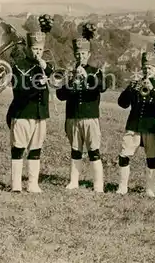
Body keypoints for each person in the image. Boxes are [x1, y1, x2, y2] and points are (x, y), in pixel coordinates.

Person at [56, 22, 106, 193]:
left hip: (90, 116)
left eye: (83, 54)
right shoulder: (69, 72)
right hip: (73, 116)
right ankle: (74, 181)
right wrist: (71, 82)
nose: (80, 57)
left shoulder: (95, 71)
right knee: (75, 150)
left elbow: (103, 87)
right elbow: (60, 95)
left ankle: (98, 184)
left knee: (94, 151)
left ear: (88, 54)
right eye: (78, 54)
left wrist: (87, 78)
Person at [116, 40, 155, 198]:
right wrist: (130, 88)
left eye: (151, 67)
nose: (148, 70)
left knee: (151, 159)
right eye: (146, 67)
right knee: (124, 155)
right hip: (133, 125)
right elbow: (122, 103)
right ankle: (122, 187)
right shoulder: (136, 83)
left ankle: (150, 190)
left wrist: (152, 90)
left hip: (152, 126)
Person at [6, 14, 54, 193]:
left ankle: (33, 183)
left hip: (40, 114)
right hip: (22, 113)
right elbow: (19, 89)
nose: (37, 53)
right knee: (18, 149)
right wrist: (36, 84)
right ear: (28, 48)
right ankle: (16, 184)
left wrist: (45, 67)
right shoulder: (19, 65)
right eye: (34, 49)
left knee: (36, 149)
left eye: (40, 50)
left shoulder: (45, 66)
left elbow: (55, 75)